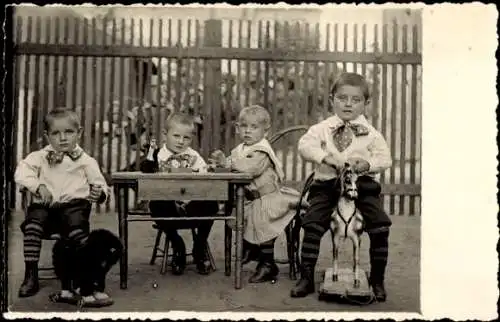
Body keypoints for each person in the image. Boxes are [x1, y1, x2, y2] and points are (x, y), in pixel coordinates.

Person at [290, 72, 392, 302]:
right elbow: (304, 146)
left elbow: (385, 159)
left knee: (380, 225)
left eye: (355, 100)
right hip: (327, 185)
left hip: (362, 187)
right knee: (313, 222)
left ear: (366, 104)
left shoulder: (372, 134)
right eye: (342, 98)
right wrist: (325, 157)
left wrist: (367, 164)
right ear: (331, 99)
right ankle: (306, 277)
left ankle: (377, 279)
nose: (348, 104)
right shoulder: (322, 128)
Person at [14, 107, 111, 305]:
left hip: (73, 209)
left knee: (79, 233)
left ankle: (83, 278)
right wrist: (38, 185)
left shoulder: (86, 161)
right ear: (47, 136)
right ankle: (31, 274)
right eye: (56, 133)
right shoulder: (39, 157)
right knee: (33, 223)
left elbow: (100, 183)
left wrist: (99, 193)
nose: (63, 138)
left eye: (69, 132)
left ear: (79, 133)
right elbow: (21, 173)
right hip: (46, 209)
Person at [211, 105, 302, 283]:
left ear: (265, 131)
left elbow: (249, 169)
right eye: (244, 127)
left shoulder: (262, 151)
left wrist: (227, 163)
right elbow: (233, 163)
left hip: (268, 197)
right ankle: (251, 248)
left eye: (254, 127)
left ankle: (268, 264)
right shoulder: (241, 149)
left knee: (263, 222)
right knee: (239, 217)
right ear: (238, 128)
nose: (248, 131)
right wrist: (221, 163)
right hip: (251, 199)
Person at [140, 112, 219, 276]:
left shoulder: (194, 156)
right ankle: (177, 245)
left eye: (186, 138)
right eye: (176, 136)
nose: (181, 142)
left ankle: (199, 245)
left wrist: (206, 173)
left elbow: (205, 177)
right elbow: (145, 172)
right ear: (164, 135)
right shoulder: (157, 155)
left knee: (212, 202)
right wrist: (150, 153)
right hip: (168, 208)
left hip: (192, 207)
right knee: (157, 202)